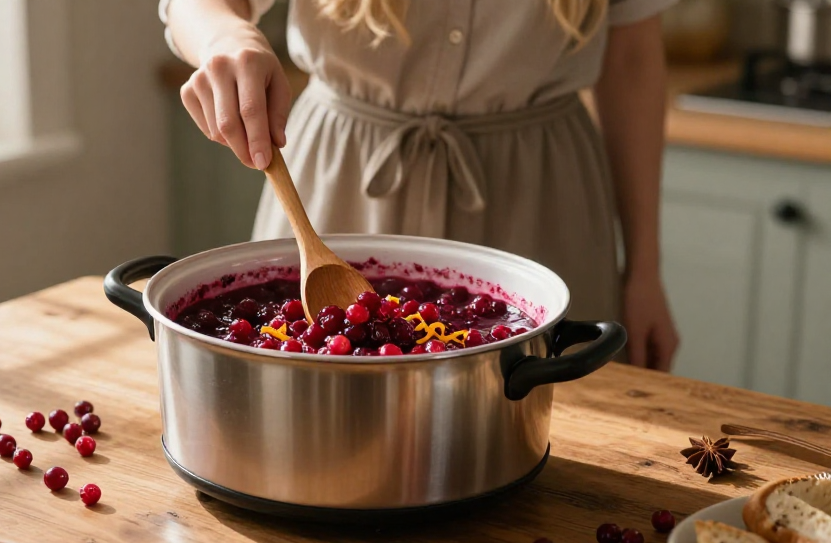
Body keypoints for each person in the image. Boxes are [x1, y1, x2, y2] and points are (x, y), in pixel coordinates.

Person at [160, 0, 680, 371]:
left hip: (541, 192)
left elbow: (632, 60)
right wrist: (228, 38)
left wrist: (645, 270)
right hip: (343, 175)